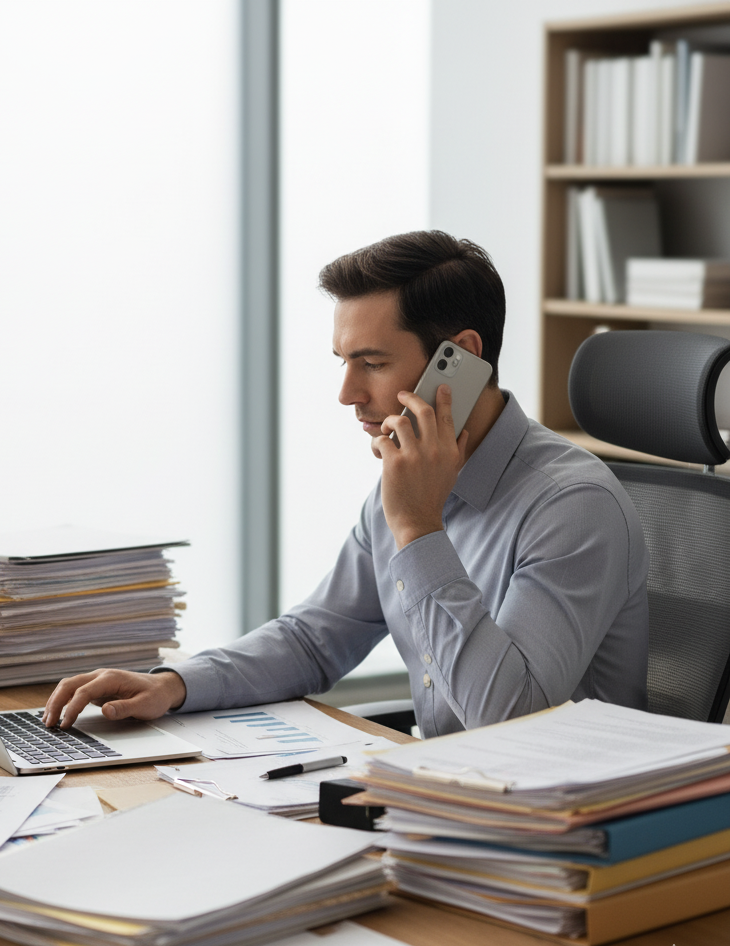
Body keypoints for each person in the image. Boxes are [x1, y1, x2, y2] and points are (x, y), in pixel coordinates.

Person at [44, 230, 649, 738]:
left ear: (460, 359)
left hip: (570, 836)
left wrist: (417, 528)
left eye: (374, 363)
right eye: (344, 361)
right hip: (448, 804)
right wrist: (174, 685)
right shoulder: (408, 479)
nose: (347, 393)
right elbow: (314, 640)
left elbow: (511, 721)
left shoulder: (572, 506)